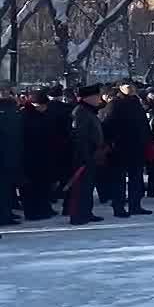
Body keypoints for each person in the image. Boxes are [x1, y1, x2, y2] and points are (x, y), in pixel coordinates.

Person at [100, 79, 153, 218]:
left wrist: (146, 139)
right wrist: (112, 142)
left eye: (132, 86)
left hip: (137, 146)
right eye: (126, 86)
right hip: (120, 147)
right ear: (120, 88)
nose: (130, 88)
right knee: (119, 179)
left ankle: (135, 205)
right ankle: (119, 207)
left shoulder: (136, 102)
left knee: (136, 178)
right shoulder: (115, 104)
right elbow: (108, 125)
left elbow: (143, 124)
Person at [67, 84, 106, 225]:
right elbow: (79, 136)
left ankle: (86, 212)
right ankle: (78, 215)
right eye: (96, 97)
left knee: (88, 187)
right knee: (80, 188)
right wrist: (85, 155)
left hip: (92, 154)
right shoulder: (80, 112)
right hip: (83, 156)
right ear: (88, 98)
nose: (99, 99)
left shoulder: (88, 111)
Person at [19, 91, 56, 220]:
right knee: (32, 187)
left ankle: (42, 209)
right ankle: (34, 212)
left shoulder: (35, 115)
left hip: (40, 157)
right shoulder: (27, 117)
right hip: (31, 157)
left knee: (42, 185)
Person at [0, 86, 21, 226]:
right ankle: (5, 214)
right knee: (5, 189)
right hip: (7, 156)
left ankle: (6, 213)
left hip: (8, 156)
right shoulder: (9, 116)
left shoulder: (9, 115)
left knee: (6, 189)